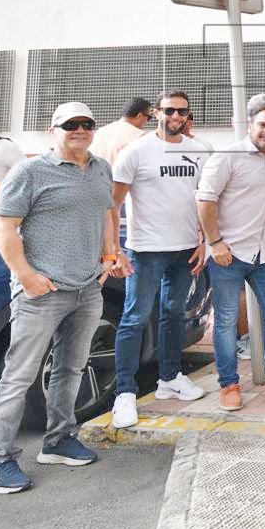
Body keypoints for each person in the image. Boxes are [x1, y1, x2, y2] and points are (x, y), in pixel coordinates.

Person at [0, 102, 126, 494]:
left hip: (87, 289)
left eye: (87, 124)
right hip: (41, 292)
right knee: (19, 376)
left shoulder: (100, 168)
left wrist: (110, 255)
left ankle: (59, 440)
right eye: (70, 124)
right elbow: (3, 228)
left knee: (71, 368)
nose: (79, 130)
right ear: (53, 130)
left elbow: (107, 213)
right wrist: (26, 277)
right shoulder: (29, 171)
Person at [108, 91, 210, 429]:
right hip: (146, 249)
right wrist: (114, 249)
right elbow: (113, 205)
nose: (175, 117)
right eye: (169, 111)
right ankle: (124, 393)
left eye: (182, 111)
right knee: (135, 318)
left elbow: (206, 199)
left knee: (174, 313)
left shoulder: (200, 151)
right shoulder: (136, 151)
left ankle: (170, 378)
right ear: (156, 113)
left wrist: (204, 241)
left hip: (186, 249)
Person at [195, 99, 265, 413]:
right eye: (262, 125)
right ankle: (229, 384)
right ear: (249, 125)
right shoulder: (228, 156)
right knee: (225, 322)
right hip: (228, 254)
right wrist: (215, 243)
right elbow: (204, 200)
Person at [91, 97, 152, 165]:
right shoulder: (139, 135)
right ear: (139, 116)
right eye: (149, 117)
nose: (147, 121)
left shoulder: (100, 132)